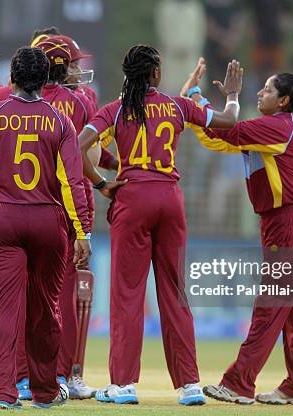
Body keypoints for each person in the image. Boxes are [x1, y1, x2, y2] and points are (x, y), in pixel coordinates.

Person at [77, 44, 243, 406]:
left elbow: (77, 147)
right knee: (175, 292)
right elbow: (229, 123)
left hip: (132, 198)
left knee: (128, 294)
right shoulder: (178, 106)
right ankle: (190, 386)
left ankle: (122, 385)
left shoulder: (115, 110)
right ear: (155, 74)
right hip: (170, 199)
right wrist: (231, 95)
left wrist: (102, 183)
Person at [0, 34, 108, 400]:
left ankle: (5, 391)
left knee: (2, 310)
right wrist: (82, 230)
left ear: (13, 76)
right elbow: (72, 182)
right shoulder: (61, 121)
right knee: (48, 310)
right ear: (45, 78)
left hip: (3, 218)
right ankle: (44, 388)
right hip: (48, 222)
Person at [182, 61, 293, 405]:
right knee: (292, 305)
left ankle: (240, 382)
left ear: (284, 101)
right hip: (283, 220)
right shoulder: (272, 127)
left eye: (269, 89)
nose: (261, 92)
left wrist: (225, 97)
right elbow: (218, 139)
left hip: (288, 221)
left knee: (272, 301)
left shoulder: (277, 126)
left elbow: (227, 132)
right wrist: (196, 97)